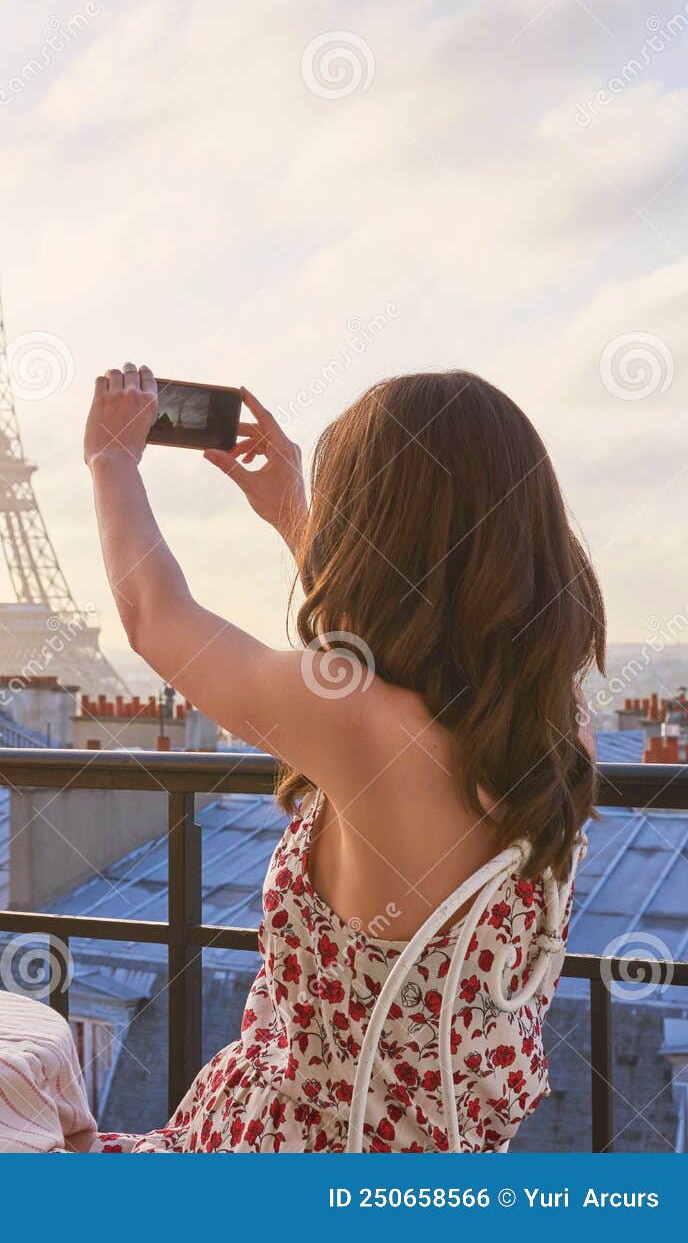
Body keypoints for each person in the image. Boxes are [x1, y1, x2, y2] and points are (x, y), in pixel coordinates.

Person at [83, 367, 600, 1152]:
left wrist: (110, 460)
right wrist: (295, 512)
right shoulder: (561, 726)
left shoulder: (357, 722)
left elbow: (155, 616)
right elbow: (414, 643)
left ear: (374, 530)